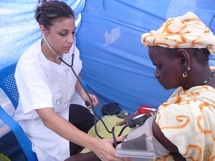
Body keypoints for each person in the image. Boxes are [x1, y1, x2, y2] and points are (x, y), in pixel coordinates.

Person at [14, 1, 130, 161]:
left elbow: (72, 71)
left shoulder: (66, 48)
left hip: (65, 107)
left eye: (73, 32)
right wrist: (96, 146)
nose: (70, 40)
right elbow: (48, 118)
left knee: (98, 130)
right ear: (43, 30)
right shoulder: (30, 66)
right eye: (63, 33)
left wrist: (82, 92)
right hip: (42, 122)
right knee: (85, 151)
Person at [116, 12, 215, 161]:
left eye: (159, 66)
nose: (156, 74)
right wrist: (151, 117)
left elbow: (126, 151)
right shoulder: (209, 75)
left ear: (183, 59)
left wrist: (88, 156)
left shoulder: (189, 115)